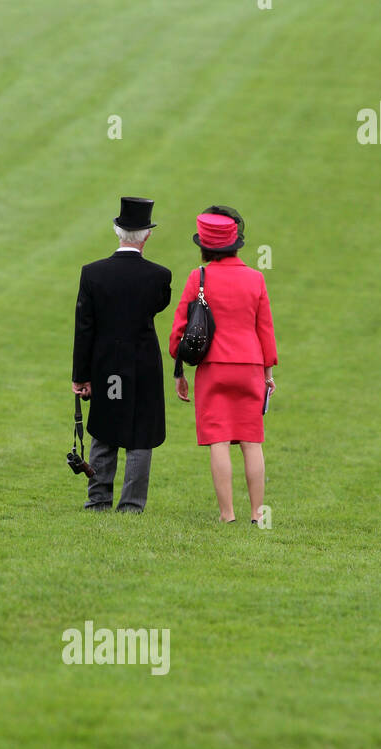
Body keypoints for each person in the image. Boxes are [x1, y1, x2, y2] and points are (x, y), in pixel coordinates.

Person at [169, 206, 278, 523]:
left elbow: (180, 329)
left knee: (218, 440)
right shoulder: (256, 279)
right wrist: (268, 374)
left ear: (204, 245)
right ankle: (258, 513)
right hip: (250, 366)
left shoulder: (198, 277)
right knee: (251, 440)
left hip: (213, 367)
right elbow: (265, 330)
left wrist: (180, 371)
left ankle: (227, 514)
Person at [72, 197, 172, 512]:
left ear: (117, 231)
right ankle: (131, 504)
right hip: (143, 365)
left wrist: (81, 376)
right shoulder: (160, 276)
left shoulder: (92, 274)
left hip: (106, 366)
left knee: (103, 429)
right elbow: (158, 306)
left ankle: (99, 498)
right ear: (147, 235)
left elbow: (84, 328)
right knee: (140, 433)